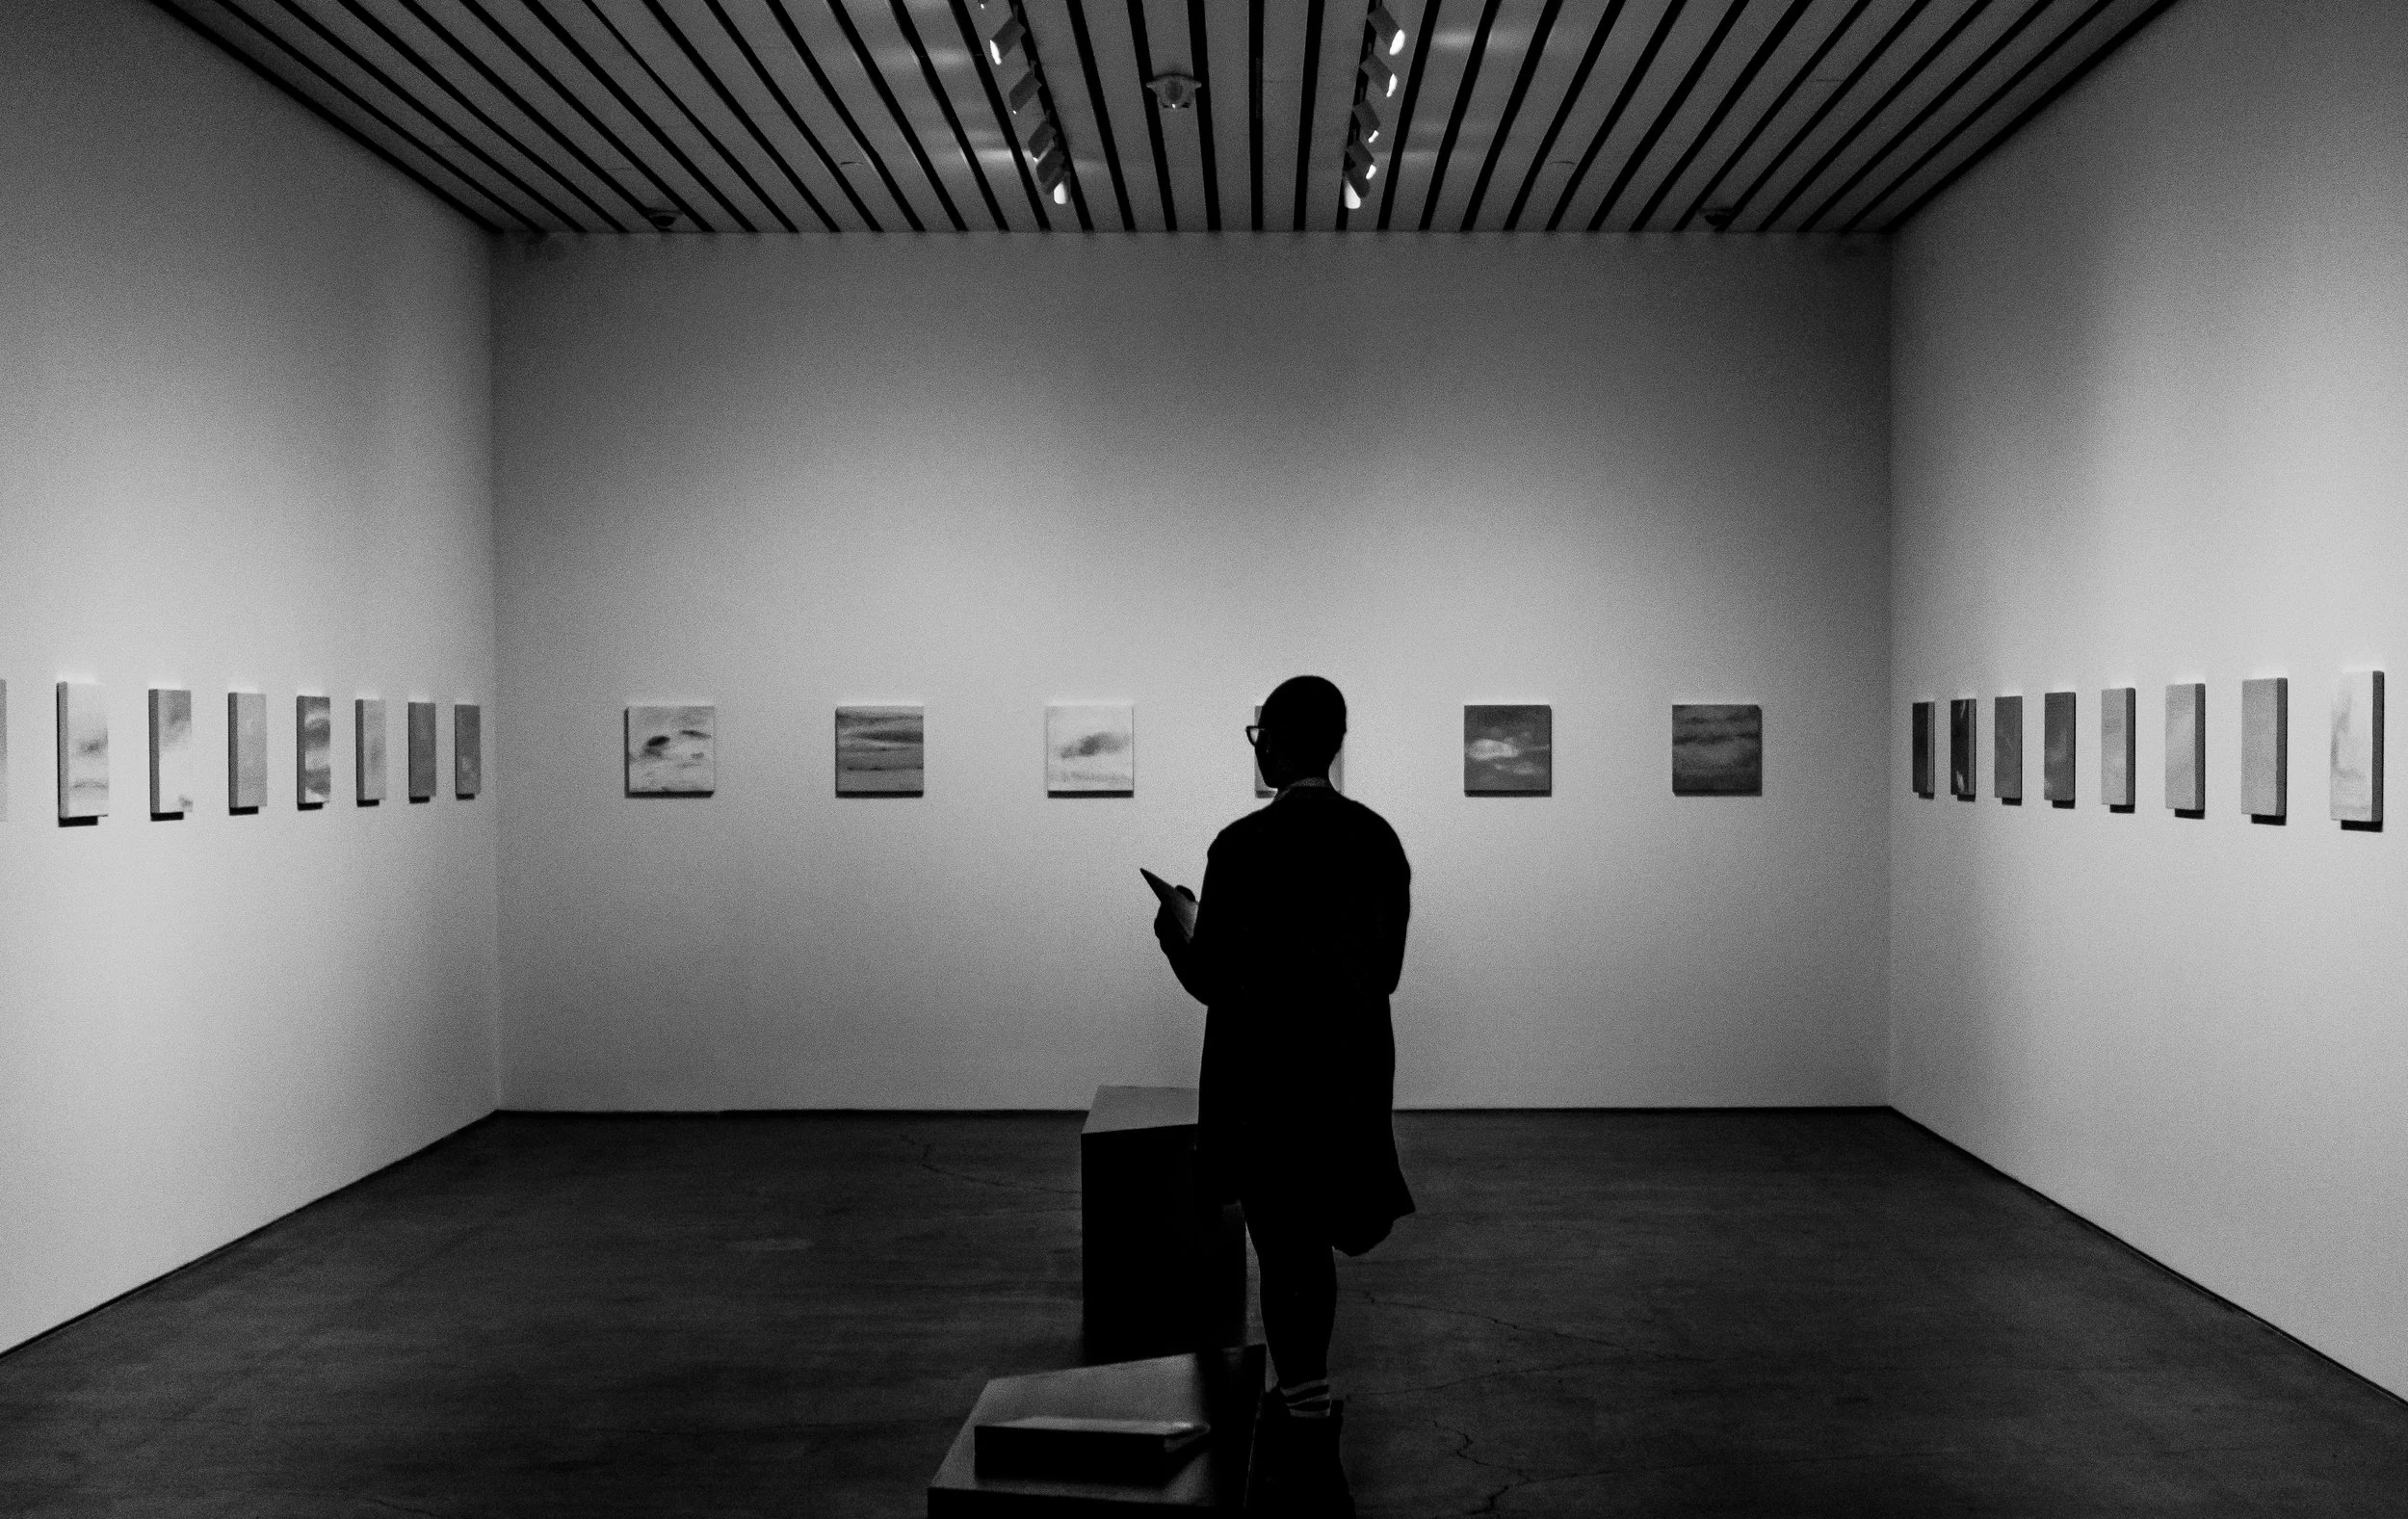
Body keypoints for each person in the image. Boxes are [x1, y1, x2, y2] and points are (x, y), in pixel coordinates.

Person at [1153, 675, 1413, 1509]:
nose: (1256, 743)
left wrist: (1176, 926)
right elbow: (1387, 971)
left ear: (1282, 738)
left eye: (1259, 729)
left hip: (1263, 1082)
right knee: (1316, 1246)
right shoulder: (1378, 840)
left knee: (1285, 1242)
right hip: (1343, 1077)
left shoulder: (1239, 846)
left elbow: (1212, 979)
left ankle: (1305, 1414)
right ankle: (1308, 1406)